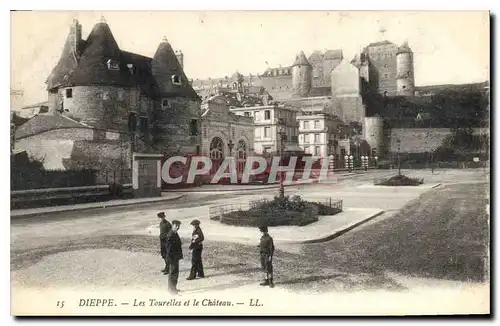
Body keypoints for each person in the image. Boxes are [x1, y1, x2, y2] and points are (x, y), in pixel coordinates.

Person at [165, 220, 183, 294]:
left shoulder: (174, 233)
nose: (178, 227)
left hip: (175, 257)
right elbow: (168, 248)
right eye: (176, 226)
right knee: (173, 273)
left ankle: (173, 288)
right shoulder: (171, 234)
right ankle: (171, 290)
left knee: (174, 273)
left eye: (178, 226)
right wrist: (170, 258)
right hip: (172, 257)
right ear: (172, 226)